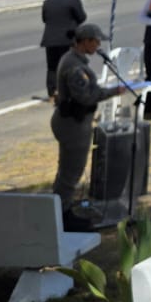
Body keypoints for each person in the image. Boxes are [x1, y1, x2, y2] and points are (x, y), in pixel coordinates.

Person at [50, 23, 125, 215]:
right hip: (73, 125)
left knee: (67, 170)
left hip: (73, 122)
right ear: (85, 41)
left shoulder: (74, 60)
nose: (98, 46)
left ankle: (59, 207)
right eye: (96, 42)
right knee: (71, 172)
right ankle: (62, 212)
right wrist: (112, 92)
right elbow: (86, 97)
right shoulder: (74, 66)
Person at [39, 0, 87, 99]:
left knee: (52, 67)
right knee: (70, 65)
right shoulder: (74, 0)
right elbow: (82, 17)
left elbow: (45, 19)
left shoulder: (47, 2)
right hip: (68, 39)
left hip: (50, 40)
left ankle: (52, 93)